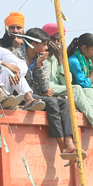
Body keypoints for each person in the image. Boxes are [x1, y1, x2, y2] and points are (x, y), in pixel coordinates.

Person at [21, 27, 79, 162]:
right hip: (22, 94)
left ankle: (69, 142)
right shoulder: (17, 56)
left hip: (37, 94)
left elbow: (45, 87)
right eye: (44, 44)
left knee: (65, 103)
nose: (47, 47)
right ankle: (62, 146)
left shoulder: (43, 58)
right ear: (33, 44)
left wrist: (39, 66)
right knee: (52, 102)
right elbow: (24, 84)